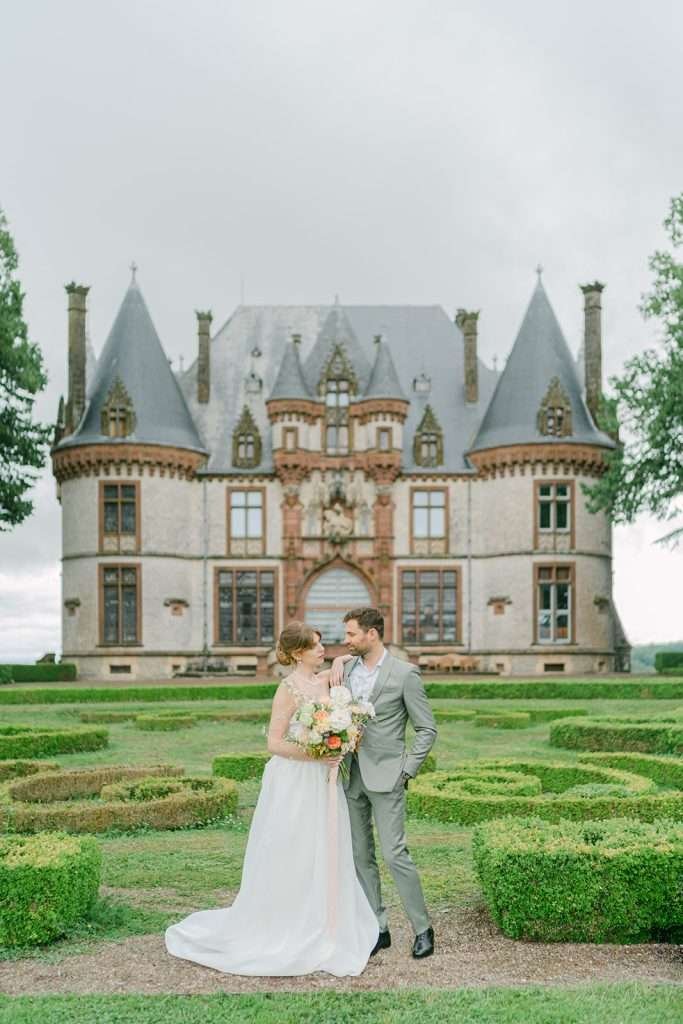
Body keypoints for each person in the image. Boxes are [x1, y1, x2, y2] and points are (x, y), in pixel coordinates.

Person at [164, 621, 378, 977]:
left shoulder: (326, 679)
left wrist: (340, 735)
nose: (322, 649)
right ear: (297, 653)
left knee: (325, 846)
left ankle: (328, 921)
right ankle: (287, 922)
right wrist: (317, 753)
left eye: (321, 643)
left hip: (324, 779)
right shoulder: (288, 689)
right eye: (314, 645)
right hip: (296, 778)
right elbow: (274, 743)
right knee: (292, 847)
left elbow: (341, 675)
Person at [336, 607, 437, 959]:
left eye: (351, 634)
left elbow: (427, 729)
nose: (346, 640)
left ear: (372, 634)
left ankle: (422, 928)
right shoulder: (346, 669)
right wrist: (336, 661)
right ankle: (378, 928)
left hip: (388, 775)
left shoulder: (405, 675)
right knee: (360, 854)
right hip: (350, 775)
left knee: (395, 854)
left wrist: (406, 770)